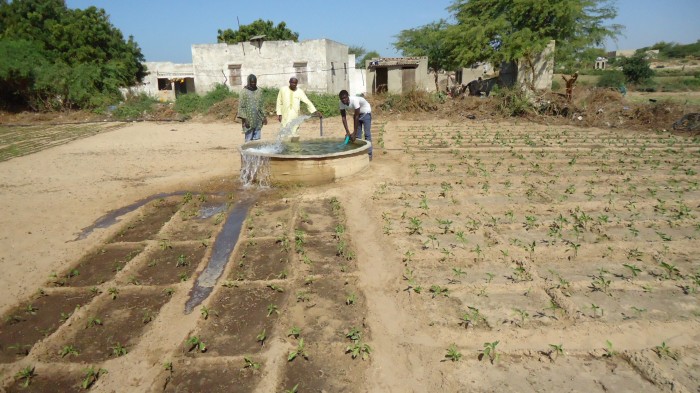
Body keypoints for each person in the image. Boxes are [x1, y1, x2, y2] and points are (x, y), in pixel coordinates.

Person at [338, 90, 373, 160]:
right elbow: (343, 118)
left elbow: (356, 117)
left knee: (367, 134)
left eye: (345, 98)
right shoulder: (341, 103)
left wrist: (354, 132)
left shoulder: (354, 100)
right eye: (342, 99)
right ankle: (359, 153)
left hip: (366, 112)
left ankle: (369, 154)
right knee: (357, 136)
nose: (343, 100)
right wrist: (347, 132)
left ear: (348, 96)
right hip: (357, 114)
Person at [237, 74, 267, 142]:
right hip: (248, 120)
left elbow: (261, 105)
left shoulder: (259, 91)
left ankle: (255, 153)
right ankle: (247, 152)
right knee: (248, 140)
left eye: (254, 82)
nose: (253, 84)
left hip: (258, 119)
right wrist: (245, 119)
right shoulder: (243, 92)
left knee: (257, 140)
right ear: (248, 82)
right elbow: (241, 107)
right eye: (252, 82)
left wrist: (264, 117)